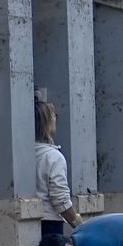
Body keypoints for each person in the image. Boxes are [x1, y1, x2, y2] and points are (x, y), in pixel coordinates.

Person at [34, 95, 83, 236]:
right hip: (50, 224)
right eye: (53, 116)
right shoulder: (54, 157)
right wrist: (78, 223)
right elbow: (60, 199)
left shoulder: (24, 155)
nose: (55, 119)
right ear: (46, 122)